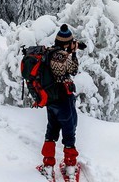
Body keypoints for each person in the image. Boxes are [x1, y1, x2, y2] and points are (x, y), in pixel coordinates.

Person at [40, 24, 86, 169]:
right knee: (69, 129)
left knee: (51, 129)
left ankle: (48, 165)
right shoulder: (61, 56)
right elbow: (73, 70)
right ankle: (70, 166)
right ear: (67, 43)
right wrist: (73, 53)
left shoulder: (49, 52)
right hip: (63, 98)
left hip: (51, 98)